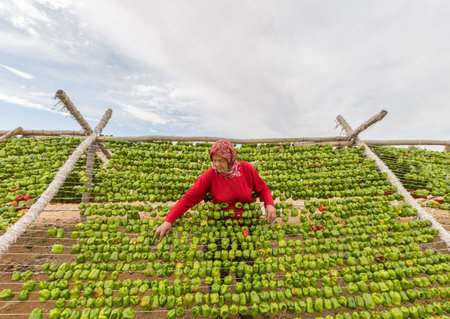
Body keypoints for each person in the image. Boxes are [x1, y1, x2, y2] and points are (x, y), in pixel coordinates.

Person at [154, 139, 276, 240]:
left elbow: (262, 189)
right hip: (219, 226)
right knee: (218, 264)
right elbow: (190, 197)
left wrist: (269, 204)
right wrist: (168, 220)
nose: (217, 165)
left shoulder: (246, 169)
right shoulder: (211, 175)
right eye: (214, 160)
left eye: (221, 161)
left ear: (230, 159)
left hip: (245, 225)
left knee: (246, 262)